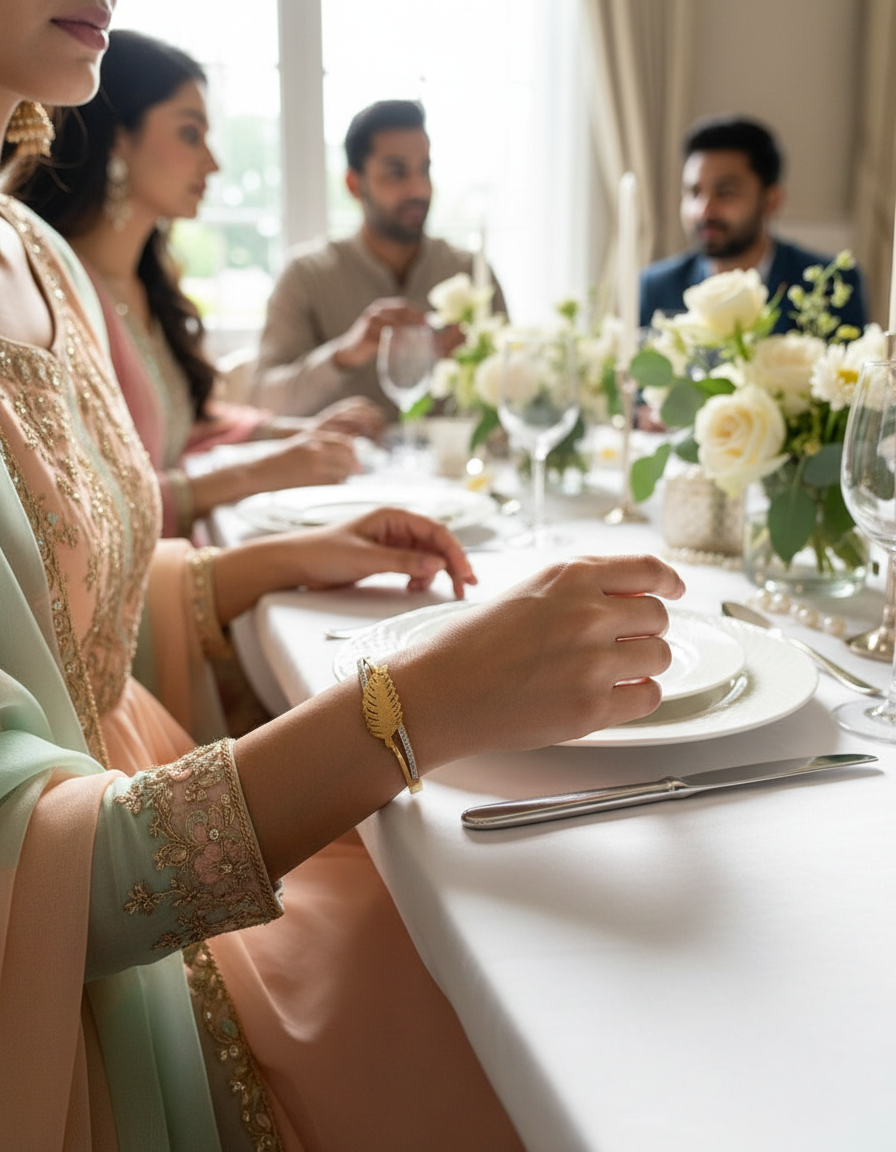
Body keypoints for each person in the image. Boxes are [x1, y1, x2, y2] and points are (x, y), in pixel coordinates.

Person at [0, 7, 686, 1149]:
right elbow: (27, 872)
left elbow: (77, 634)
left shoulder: (39, 253)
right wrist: (418, 703)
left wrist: (297, 553)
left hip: (145, 775)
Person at [13, 30, 385, 538]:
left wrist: (292, 433)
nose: (212, 163)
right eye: (190, 134)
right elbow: (88, 516)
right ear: (119, 137)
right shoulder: (53, 293)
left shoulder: (145, 286)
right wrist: (262, 470)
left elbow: (180, 426)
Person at [252, 98, 507, 419]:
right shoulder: (306, 276)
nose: (419, 189)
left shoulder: (470, 272)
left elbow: (517, 396)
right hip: (347, 452)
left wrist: (476, 360)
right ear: (353, 185)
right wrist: (344, 353)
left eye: (424, 169)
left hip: (451, 453)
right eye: (396, 172)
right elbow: (262, 402)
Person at [639, 115, 868, 334]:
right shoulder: (657, 287)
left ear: (771, 200)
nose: (703, 211)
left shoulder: (831, 284)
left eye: (725, 192)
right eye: (694, 192)